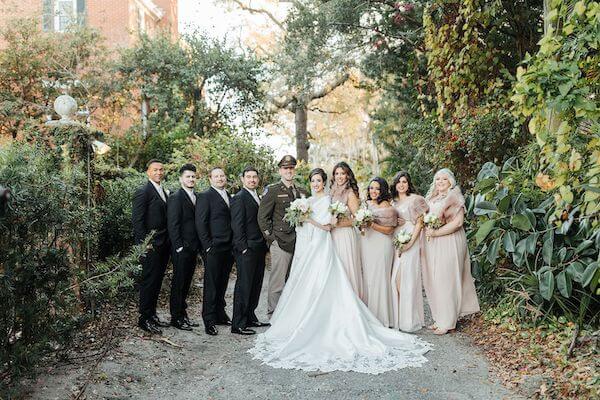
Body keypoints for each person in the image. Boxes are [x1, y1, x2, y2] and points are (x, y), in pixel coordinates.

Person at [249, 168, 431, 374]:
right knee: (315, 280)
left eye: (319, 180)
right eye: (314, 180)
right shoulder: (312, 198)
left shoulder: (331, 199)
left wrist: (320, 221)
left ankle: (348, 320)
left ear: (324, 181)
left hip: (334, 238)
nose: (317, 183)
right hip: (319, 243)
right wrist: (304, 219)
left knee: (337, 278)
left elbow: (340, 222)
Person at [422, 168, 480, 335]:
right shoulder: (432, 197)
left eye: (444, 179)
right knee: (436, 279)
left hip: (450, 240)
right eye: (438, 179)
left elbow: (458, 223)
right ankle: (440, 318)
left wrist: (435, 233)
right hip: (434, 242)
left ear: (450, 182)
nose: (440, 182)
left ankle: (448, 322)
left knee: (447, 279)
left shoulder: (454, 197)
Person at [257, 155, 308, 317]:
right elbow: (262, 217)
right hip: (280, 241)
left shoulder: (302, 191)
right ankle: (273, 313)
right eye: (285, 168)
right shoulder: (272, 190)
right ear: (280, 170)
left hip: (299, 242)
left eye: (291, 168)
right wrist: (271, 239)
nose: (289, 171)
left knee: (294, 279)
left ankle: (289, 314)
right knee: (278, 281)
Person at [132, 160, 170, 334]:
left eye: (161, 170)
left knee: (156, 282)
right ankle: (144, 318)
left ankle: (152, 314)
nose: (159, 172)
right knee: (148, 282)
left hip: (163, 244)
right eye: (155, 170)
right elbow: (138, 222)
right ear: (148, 172)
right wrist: (143, 246)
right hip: (150, 246)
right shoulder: (143, 192)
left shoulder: (163, 191)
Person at [230, 166, 270, 335]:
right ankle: (238, 324)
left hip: (259, 247)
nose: (252, 179)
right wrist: (243, 248)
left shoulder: (257, 196)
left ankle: (250, 316)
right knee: (244, 285)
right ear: (242, 179)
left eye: (254, 177)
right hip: (247, 249)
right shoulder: (240, 198)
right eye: (249, 177)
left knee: (256, 284)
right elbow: (237, 225)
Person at [196, 167, 234, 335]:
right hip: (213, 247)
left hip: (228, 247)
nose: (219, 178)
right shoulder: (205, 196)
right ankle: (209, 319)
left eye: (222, 176)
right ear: (210, 179)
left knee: (223, 282)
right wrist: (208, 246)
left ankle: (220, 313)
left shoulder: (230, 196)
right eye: (216, 176)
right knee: (211, 284)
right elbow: (201, 223)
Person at [390, 171, 428, 332]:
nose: (401, 184)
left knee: (407, 279)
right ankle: (398, 318)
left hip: (410, 240)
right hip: (397, 240)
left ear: (408, 183)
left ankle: (409, 320)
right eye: (399, 182)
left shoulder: (415, 199)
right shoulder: (393, 202)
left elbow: (420, 223)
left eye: (404, 181)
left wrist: (410, 243)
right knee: (396, 280)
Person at [167, 164, 201, 331]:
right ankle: (176, 317)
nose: (191, 179)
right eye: (188, 176)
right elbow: (173, 224)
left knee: (187, 282)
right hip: (181, 248)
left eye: (193, 176)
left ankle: (183, 314)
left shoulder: (196, 196)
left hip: (193, 247)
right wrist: (178, 246)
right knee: (179, 283)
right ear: (181, 178)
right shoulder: (176, 197)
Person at [360, 177, 397, 327]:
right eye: (371, 188)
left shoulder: (387, 206)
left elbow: (389, 230)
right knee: (369, 279)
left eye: (377, 188)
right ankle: (370, 316)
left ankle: (382, 318)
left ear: (382, 190)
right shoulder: (366, 204)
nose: (373, 191)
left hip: (382, 244)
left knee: (380, 278)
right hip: (367, 243)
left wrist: (372, 225)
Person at [329, 161, 363, 298]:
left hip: (344, 236)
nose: (339, 176)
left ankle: (351, 300)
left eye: (342, 173)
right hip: (331, 235)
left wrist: (339, 223)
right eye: (337, 173)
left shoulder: (350, 193)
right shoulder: (330, 191)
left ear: (348, 175)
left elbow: (358, 219)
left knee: (346, 267)